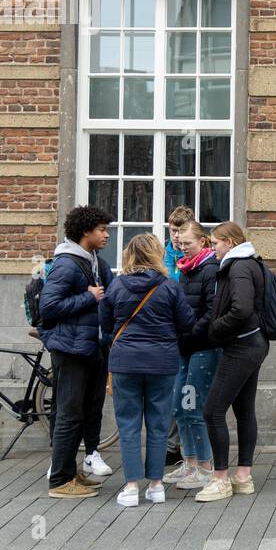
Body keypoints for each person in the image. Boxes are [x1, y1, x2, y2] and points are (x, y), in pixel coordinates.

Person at [99, 234, 194, 507]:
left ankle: (130, 487)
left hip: (125, 362)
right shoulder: (169, 287)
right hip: (162, 363)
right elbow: (186, 322)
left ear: (129, 254)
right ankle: (155, 485)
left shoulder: (117, 286)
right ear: (156, 254)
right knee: (159, 423)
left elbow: (105, 326)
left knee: (128, 424)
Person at [40, 206, 116, 499]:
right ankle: (60, 480)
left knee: (84, 412)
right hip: (71, 350)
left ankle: (72, 474)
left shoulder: (93, 261)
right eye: (102, 229)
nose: (107, 234)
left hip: (90, 347)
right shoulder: (67, 264)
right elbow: (49, 307)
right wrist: (88, 297)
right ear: (86, 232)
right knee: (69, 414)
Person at [196, 222, 269, 502]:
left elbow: (241, 309)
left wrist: (216, 329)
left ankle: (220, 479)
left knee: (212, 411)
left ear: (229, 242)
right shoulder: (249, 263)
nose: (212, 249)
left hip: (242, 345)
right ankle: (243, 477)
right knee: (244, 410)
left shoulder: (238, 267)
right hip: (253, 343)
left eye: (214, 243)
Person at [163, 221, 221, 490]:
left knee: (193, 407)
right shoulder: (186, 268)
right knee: (179, 406)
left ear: (203, 242)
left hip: (203, 348)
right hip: (184, 347)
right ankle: (190, 462)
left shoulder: (210, 269)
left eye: (187, 243)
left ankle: (206, 467)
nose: (182, 247)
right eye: (179, 242)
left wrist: (188, 336)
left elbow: (211, 313)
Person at [161, 205, 195, 466]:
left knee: (188, 391)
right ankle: (172, 447)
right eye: (173, 230)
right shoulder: (163, 255)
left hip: (187, 331)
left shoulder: (194, 257)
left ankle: (190, 447)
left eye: (181, 230)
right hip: (166, 330)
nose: (176, 235)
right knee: (171, 391)